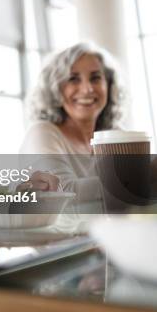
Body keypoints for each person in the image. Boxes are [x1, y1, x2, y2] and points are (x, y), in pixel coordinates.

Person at [19, 42, 124, 228]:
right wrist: (143, 176)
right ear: (55, 88)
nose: (87, 89)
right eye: (73, 79)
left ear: (108, 85)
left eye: (95, 78)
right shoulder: (43, 133)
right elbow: (64, 199)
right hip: (50, 251)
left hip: (100, 248)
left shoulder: (115, 137)